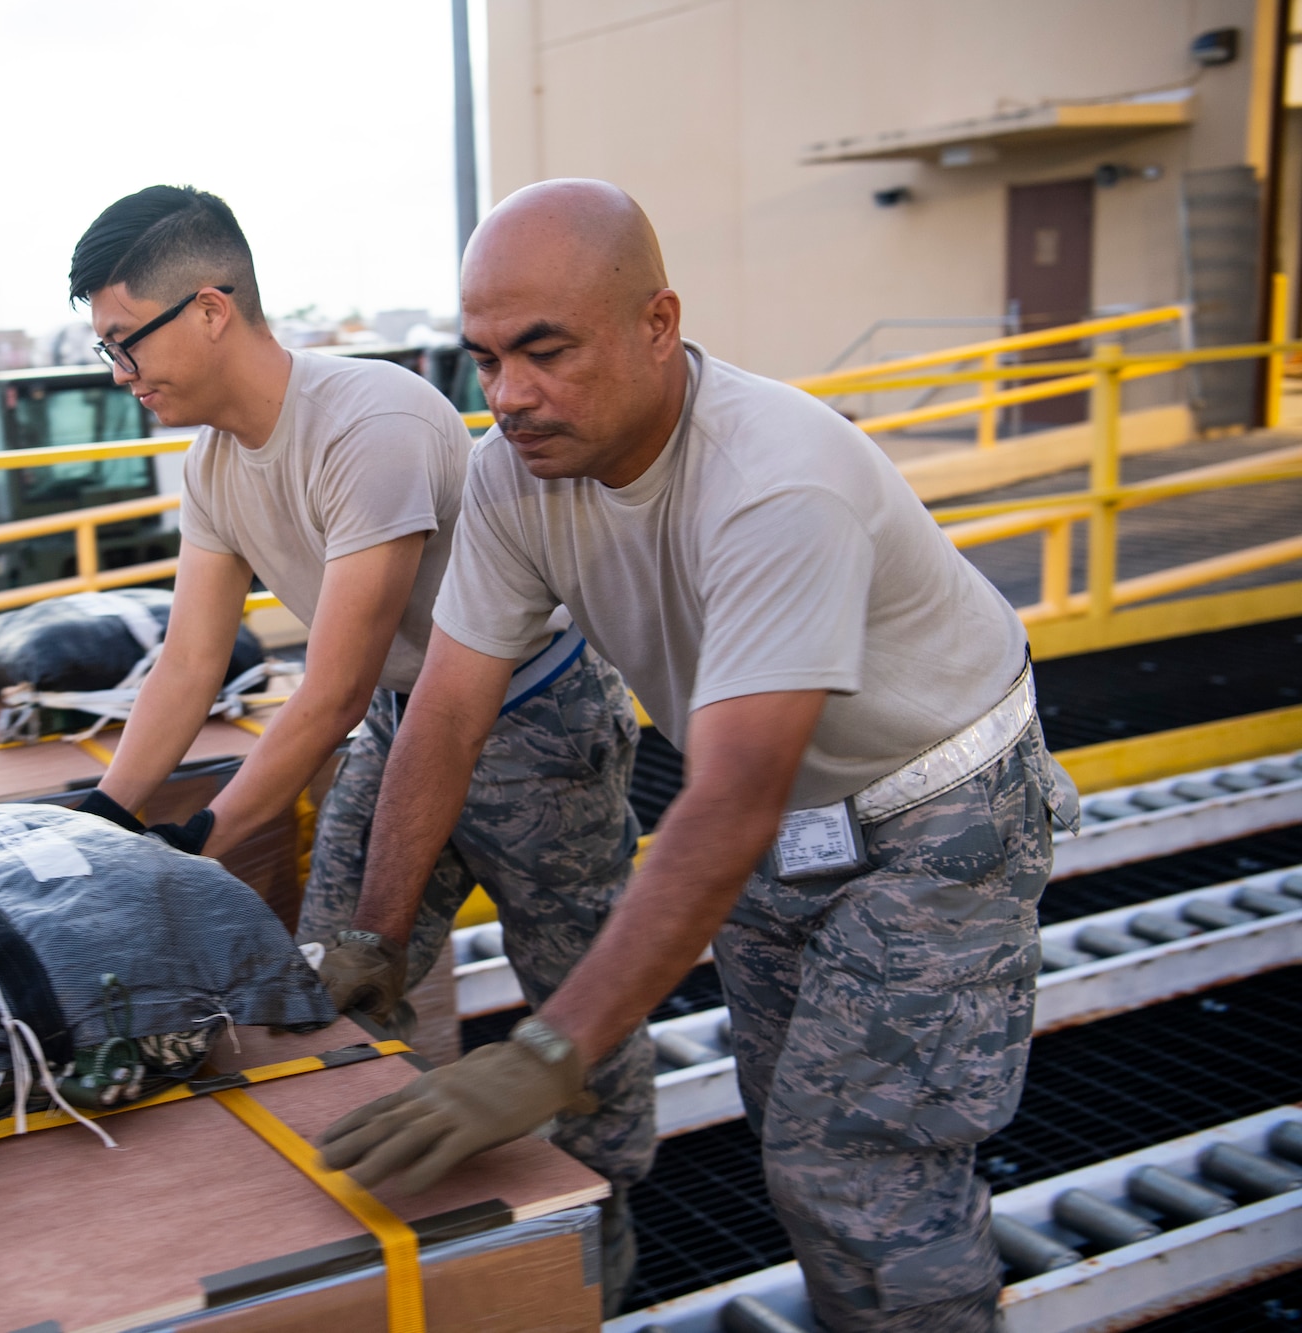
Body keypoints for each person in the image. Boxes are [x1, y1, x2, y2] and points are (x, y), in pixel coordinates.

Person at [315, 179, 1080, 1332]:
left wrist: (548, 1051)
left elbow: (721, 802)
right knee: (791, 1131)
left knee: (857, 1172)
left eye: (544, 351)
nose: (509, 396)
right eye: (483, 360)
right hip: (786, 817)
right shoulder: (517, 472)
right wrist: (374, 931)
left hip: (937, 812)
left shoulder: (772, 483)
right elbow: (446, 712)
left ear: (657, 325)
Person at [63, 184, 657, 1306]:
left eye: (123, 342)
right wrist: (102, 821)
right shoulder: (212, 466)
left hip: (537, 723)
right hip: (404, 718)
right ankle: (395, 1233)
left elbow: (327, 690)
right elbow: (189, 666)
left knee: (571, 995)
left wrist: (189, 844)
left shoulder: (364, 420)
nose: (121, 375)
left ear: (207, 309)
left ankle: (596, 1247)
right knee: (339, 966)